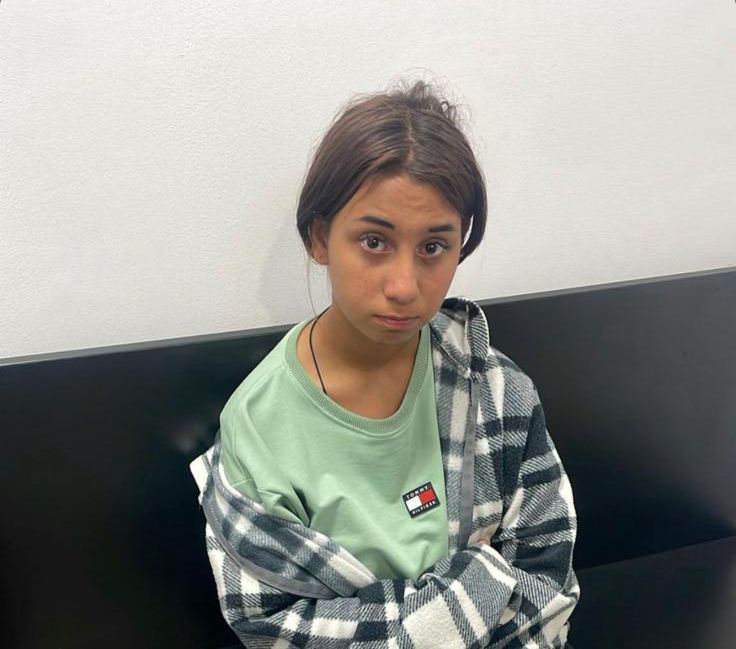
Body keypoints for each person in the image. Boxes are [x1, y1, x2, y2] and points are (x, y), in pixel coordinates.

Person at [190, 79, 580, 648]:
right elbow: (272, 625)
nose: (404, 286)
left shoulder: (495, 389)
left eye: (433, 247)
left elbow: (547, 581)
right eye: (374, 241)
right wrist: (478, 582)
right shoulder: (260, 427)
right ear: (320, 238)